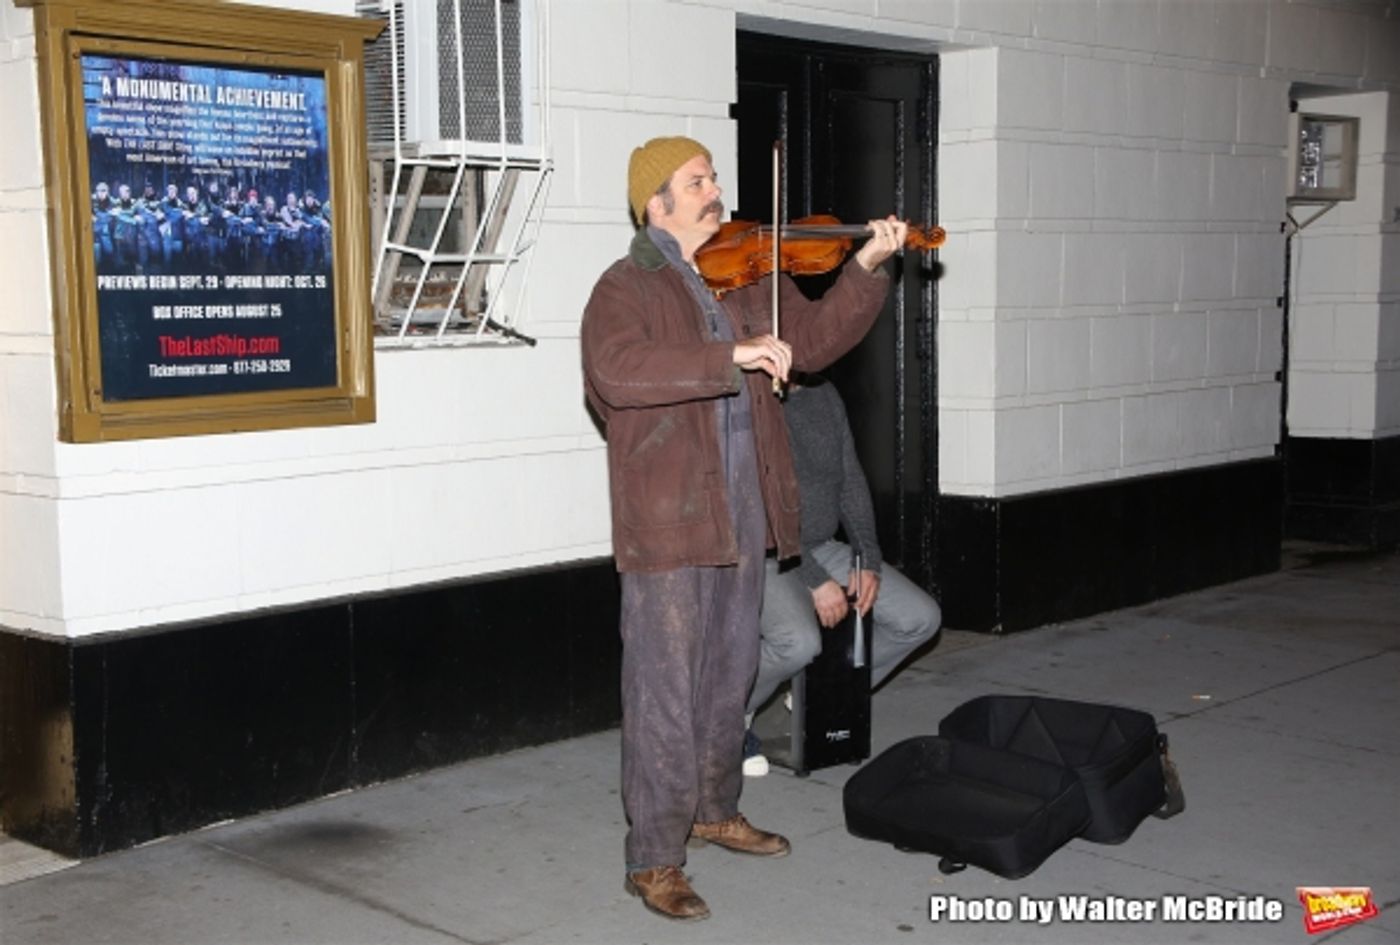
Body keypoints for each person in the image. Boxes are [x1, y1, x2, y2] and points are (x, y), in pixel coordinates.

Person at [580, 135, 906, 922]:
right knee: (664, 691)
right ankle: (655, 857)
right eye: (697, 180)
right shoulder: (624, 287)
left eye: (713, 176)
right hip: (669, 525)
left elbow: (819, 341)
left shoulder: (746, 275)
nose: (714, 190)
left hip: (744, 518)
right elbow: (617, 373)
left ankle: (715, 808)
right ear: (656, 203)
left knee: (728, 678)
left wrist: (866, 268)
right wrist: (730, 355)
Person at [741, 374, 942, 777]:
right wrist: (814, 579)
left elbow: (849, 478)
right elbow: (758, 503)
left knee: (919, 619)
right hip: (765, 552)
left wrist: (867, 558)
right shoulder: (750, 399)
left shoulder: (824, 394)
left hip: (818, 546)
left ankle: (806, 703)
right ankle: (728, 722)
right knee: (797, 643)